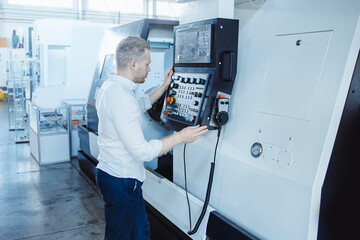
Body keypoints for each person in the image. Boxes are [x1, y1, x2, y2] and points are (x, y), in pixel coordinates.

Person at [95, 36, 208, 240]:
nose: (149, 69)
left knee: (141, 232)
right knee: (118, 236)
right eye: (147, 64)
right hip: (122, 181)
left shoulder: (111, 88)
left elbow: (138, 105)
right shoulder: (121, 98)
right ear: (133, 64)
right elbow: (143, 151)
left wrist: (164, 86)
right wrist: (181, 136)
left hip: (120, 177)